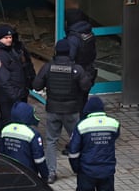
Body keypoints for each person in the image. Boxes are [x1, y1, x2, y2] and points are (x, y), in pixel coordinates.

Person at [32, 39, 93, 184]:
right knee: (78, 140)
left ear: (55, 52)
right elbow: (86, 87)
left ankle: (51, 173)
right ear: (69, 53)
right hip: (72, 111)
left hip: (53, 110)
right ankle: (81, 169)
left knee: (51, 141)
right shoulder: (76, 69)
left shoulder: (48, 67)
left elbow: (36, 85)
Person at [0, 24, 35, 153]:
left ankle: (11, 146)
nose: (9, 40)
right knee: (7, 120)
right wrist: (15, 95)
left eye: (10, 37)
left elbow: (24, 66)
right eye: (6, 37)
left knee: (11, 120)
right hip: (8, 95)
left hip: (16, 92)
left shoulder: (11, 49)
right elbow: (2, 79)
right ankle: (1, 148)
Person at [67, 97, 120, 191]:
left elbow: (73, 151)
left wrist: (76, 168)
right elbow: (115, 137)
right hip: (107, 170)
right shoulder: (114, 123)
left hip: (87, 171)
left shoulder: (82, 125)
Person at [0, 101, 49, 182]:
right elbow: (39, 159)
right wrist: (45, 176)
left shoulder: (5, 129)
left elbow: (1, 152)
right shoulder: (32, 134)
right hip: (28, 173)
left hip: (10, 170)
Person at [65, 8, 97, 117]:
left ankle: (79, 127)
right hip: (89, 72)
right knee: (83, 99)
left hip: (78, 72)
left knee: (77, 103)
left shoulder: (73, 37)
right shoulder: (89, 33)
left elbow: (70, 57)